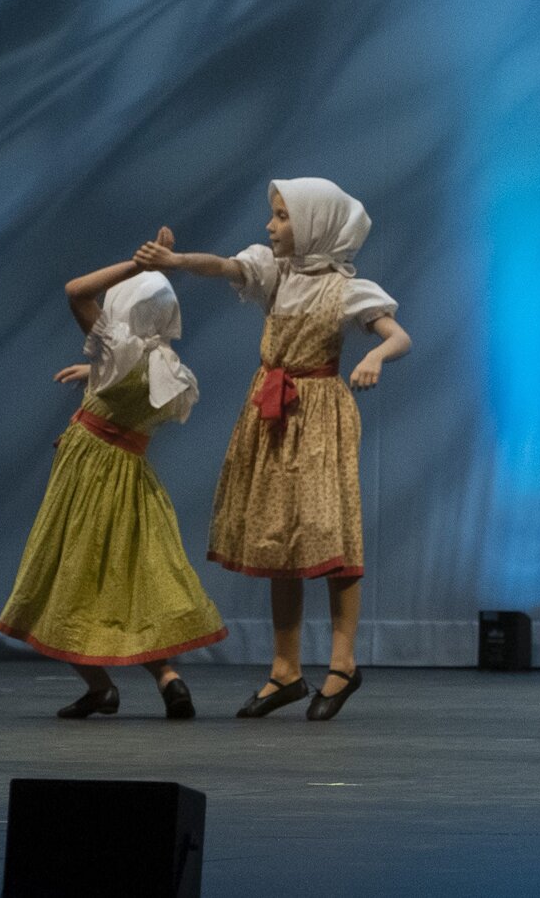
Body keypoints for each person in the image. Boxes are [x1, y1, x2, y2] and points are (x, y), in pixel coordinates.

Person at [138, 178, 412, 721]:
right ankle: (285, 670)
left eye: (284, 217)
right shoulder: (275, 272)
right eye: (275, 216)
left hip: (319, 412)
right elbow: (223, 266)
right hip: (271, 408)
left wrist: (376, 357)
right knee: (278, 534)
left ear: (313, 224)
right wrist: (176, 259)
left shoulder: (346, 289)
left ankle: (343, 663)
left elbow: (397, 336)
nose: (271, 226)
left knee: (328, 531)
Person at [0, 241, 226, 717]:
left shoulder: (116, 348)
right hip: (130, 476)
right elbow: (133, 383)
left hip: (88, 471)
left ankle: (100, 684)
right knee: (131, 578)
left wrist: (135, 262)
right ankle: (168, 676)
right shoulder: (174, 371)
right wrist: (96, 369)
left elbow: (76, 292)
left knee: (66, 574)